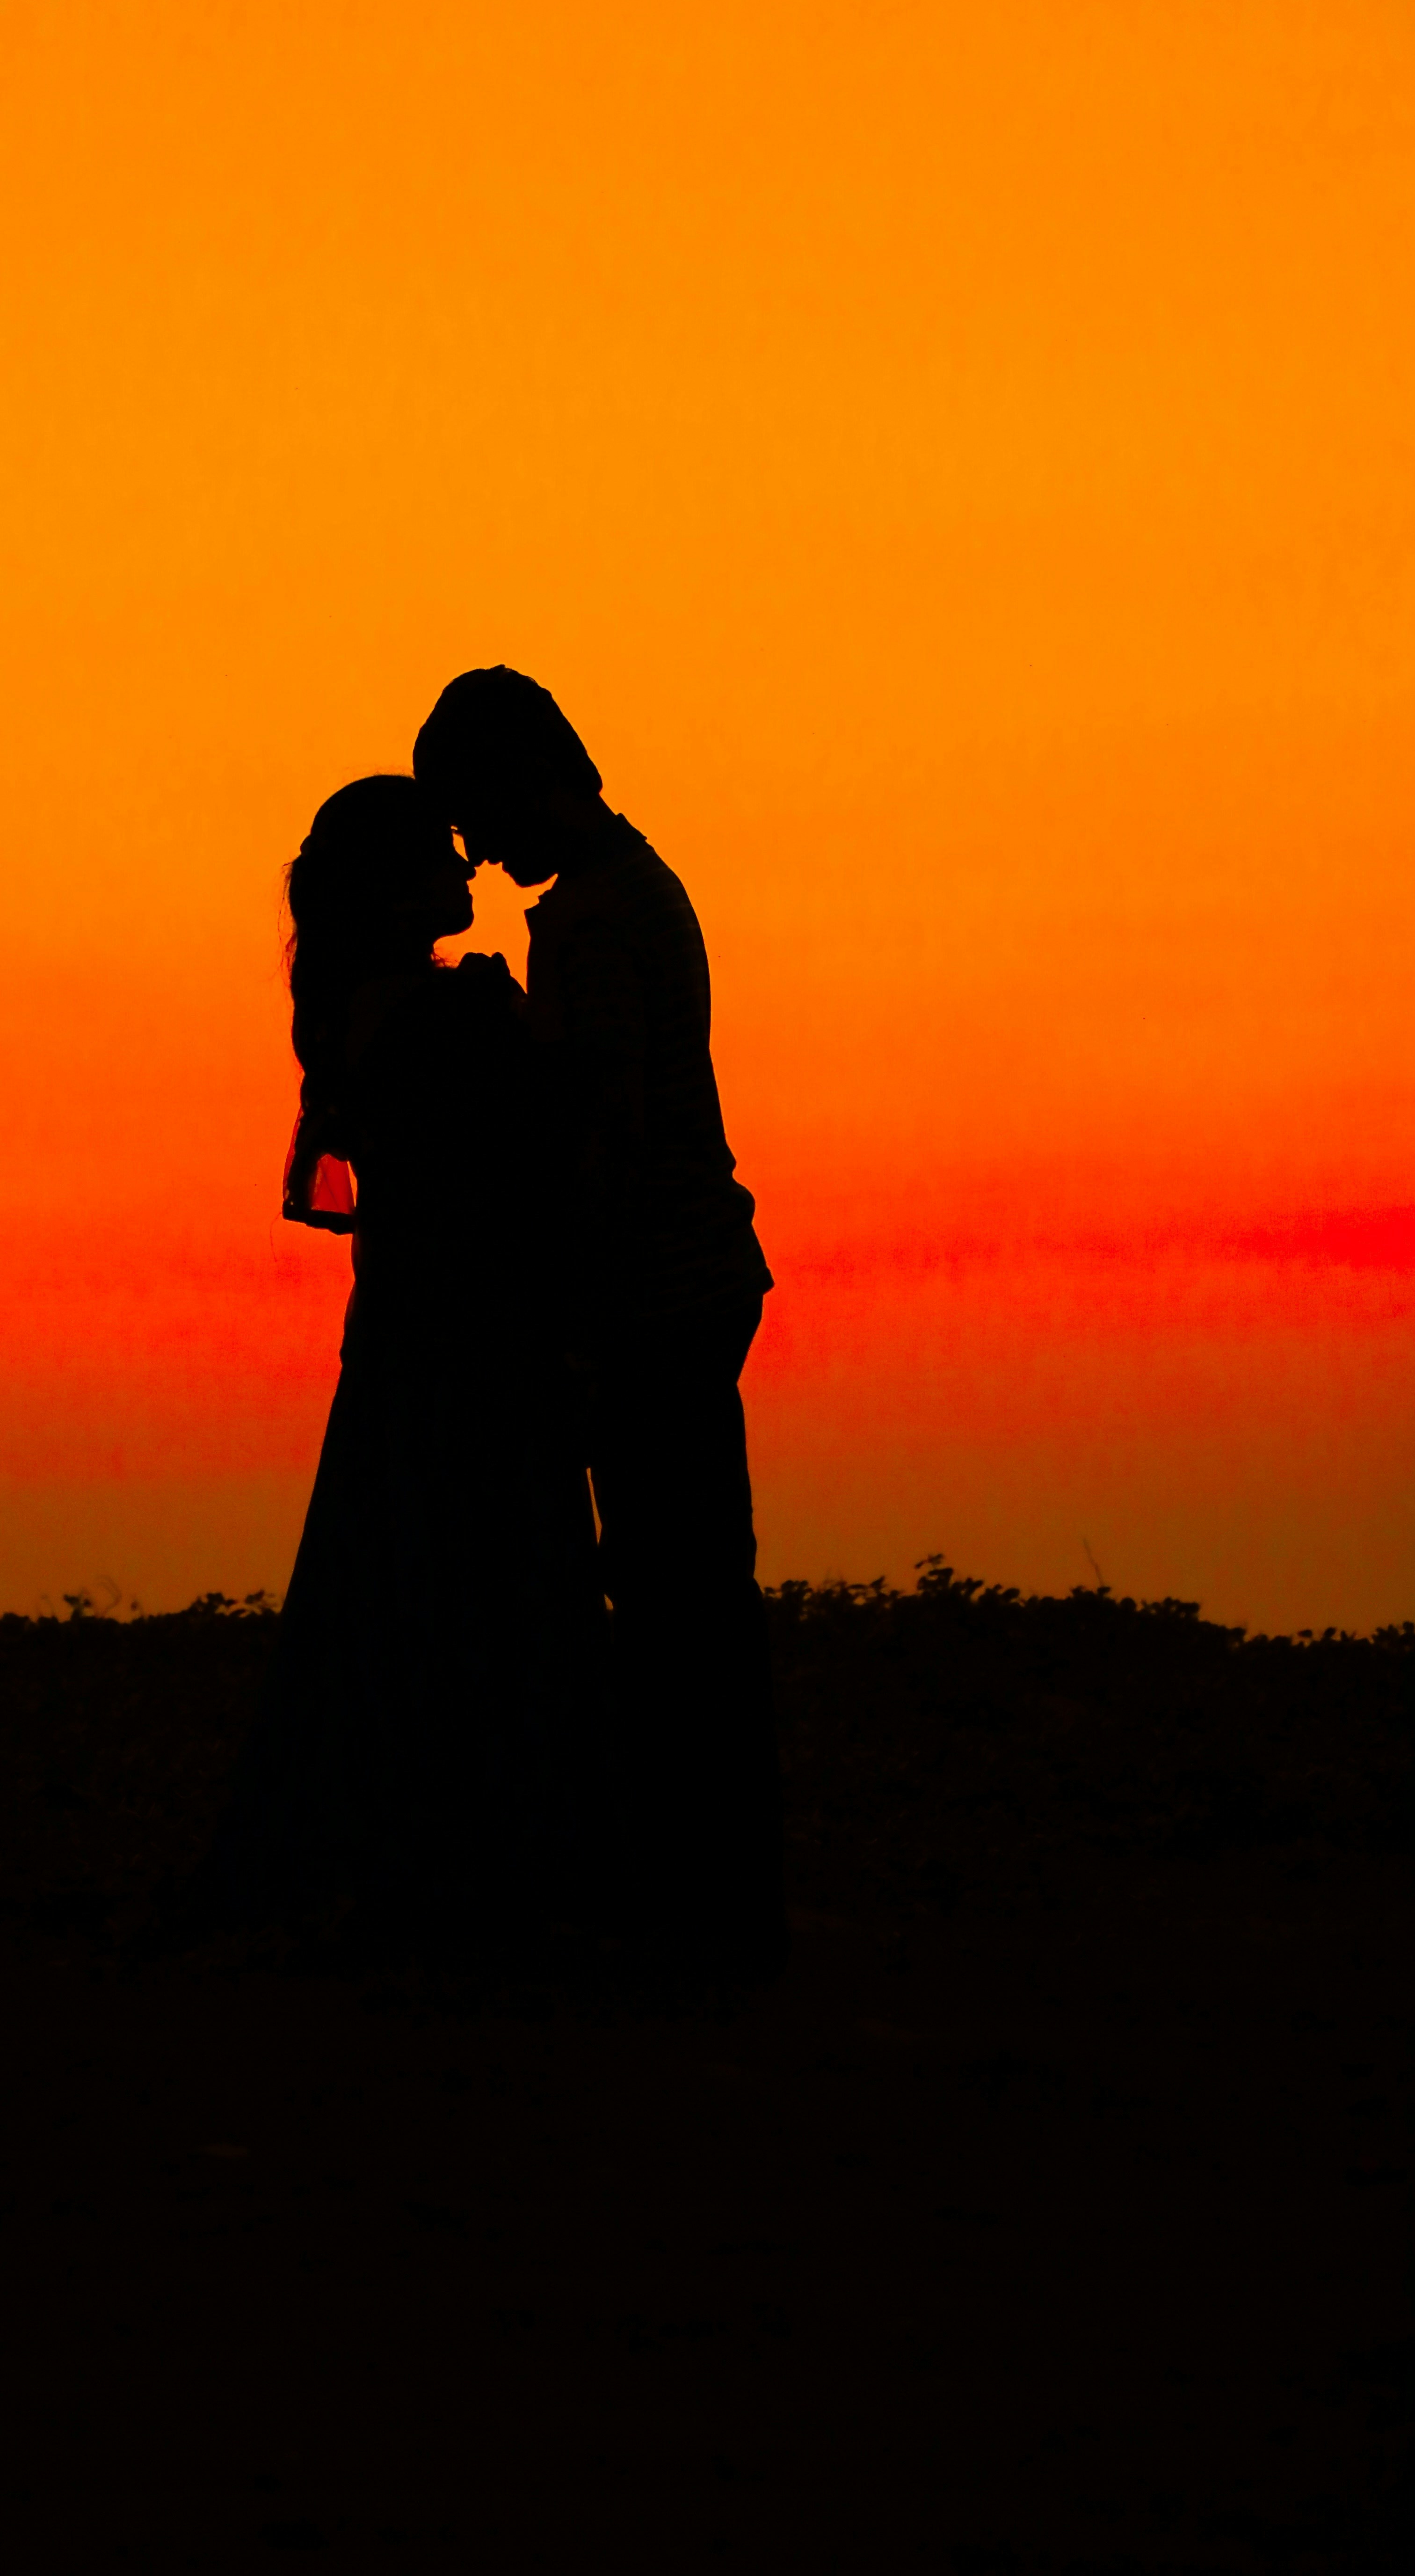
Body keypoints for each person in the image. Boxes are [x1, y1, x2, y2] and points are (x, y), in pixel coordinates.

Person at [413, 668, 784, 1974]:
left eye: (477, 813)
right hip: (690, 1275)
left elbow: (609, 1131)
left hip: (655, 1291)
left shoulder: (594, 925)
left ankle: (704, 1896)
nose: (476, 850)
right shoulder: (636, 891)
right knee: (694, 1592)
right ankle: (718, 1883)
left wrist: (579, 1321)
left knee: (674, 1600)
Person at [211, 774, 604, 1944]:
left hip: (414, 1335)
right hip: (463, 1343)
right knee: (476, 1586)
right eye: (442, 850)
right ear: (392, 886)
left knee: (402, 1588)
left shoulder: (371, 1011)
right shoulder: (432, 1018)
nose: (467, 867)